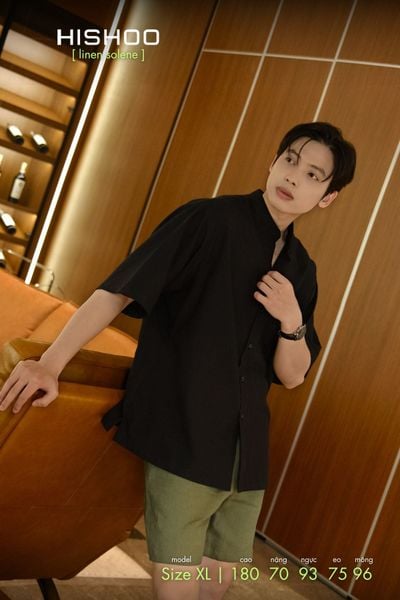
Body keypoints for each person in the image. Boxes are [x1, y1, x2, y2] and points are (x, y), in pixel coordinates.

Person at [0, 122, 356, 600]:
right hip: (186, 434)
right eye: (289, 159)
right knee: (180, 584)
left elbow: (292, 376)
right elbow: (118, 291)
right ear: (273, 162)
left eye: (313, 174)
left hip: (246, 451)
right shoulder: (206, 220)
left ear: (328, 197)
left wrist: (292, 319)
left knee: (217, 583)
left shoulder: (301, 270)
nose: (293, 176)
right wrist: (50, 362)